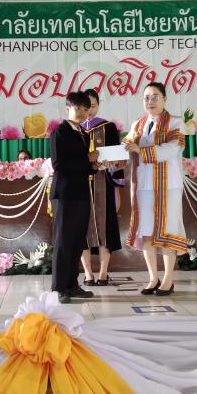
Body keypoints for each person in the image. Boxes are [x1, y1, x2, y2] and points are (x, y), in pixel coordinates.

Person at [124, 82, 186, 296]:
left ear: (164, 99)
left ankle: (168, 280)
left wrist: (140, 150)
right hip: (143, 186)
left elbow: (172, 149)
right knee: (147, 233)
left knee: (167, 231)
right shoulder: (137, 124)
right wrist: (109, 158)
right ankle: (153, 278)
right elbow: (126, 148)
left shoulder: (176, 122)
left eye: (155, 96)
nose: (150, 101)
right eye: (146, 97)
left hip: (168, 186)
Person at [49, 91, 99, 303]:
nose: (81, 112)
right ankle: (59, 288)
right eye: (77, 108)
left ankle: (72, 285)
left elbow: (83, 166)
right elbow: (59, 165)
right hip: (64, 194)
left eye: (85, 109)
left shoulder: (83, 133)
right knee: (63, 242)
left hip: (81, 193)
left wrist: (94, 165)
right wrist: (87, 159)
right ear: (67, 108)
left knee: (78, 241)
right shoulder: (59, 132)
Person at [79, 89, 123, 286]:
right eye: (85, 107)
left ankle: (103, 273)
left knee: (105, 228)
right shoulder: (74, 129)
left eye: (93, 106)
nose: (89, 111)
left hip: (103, 183)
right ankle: (88, 274)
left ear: (98, 105)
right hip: (80, 184)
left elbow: (117, 158)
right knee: (82, 228)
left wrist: (110, 164)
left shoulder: (109, 127)